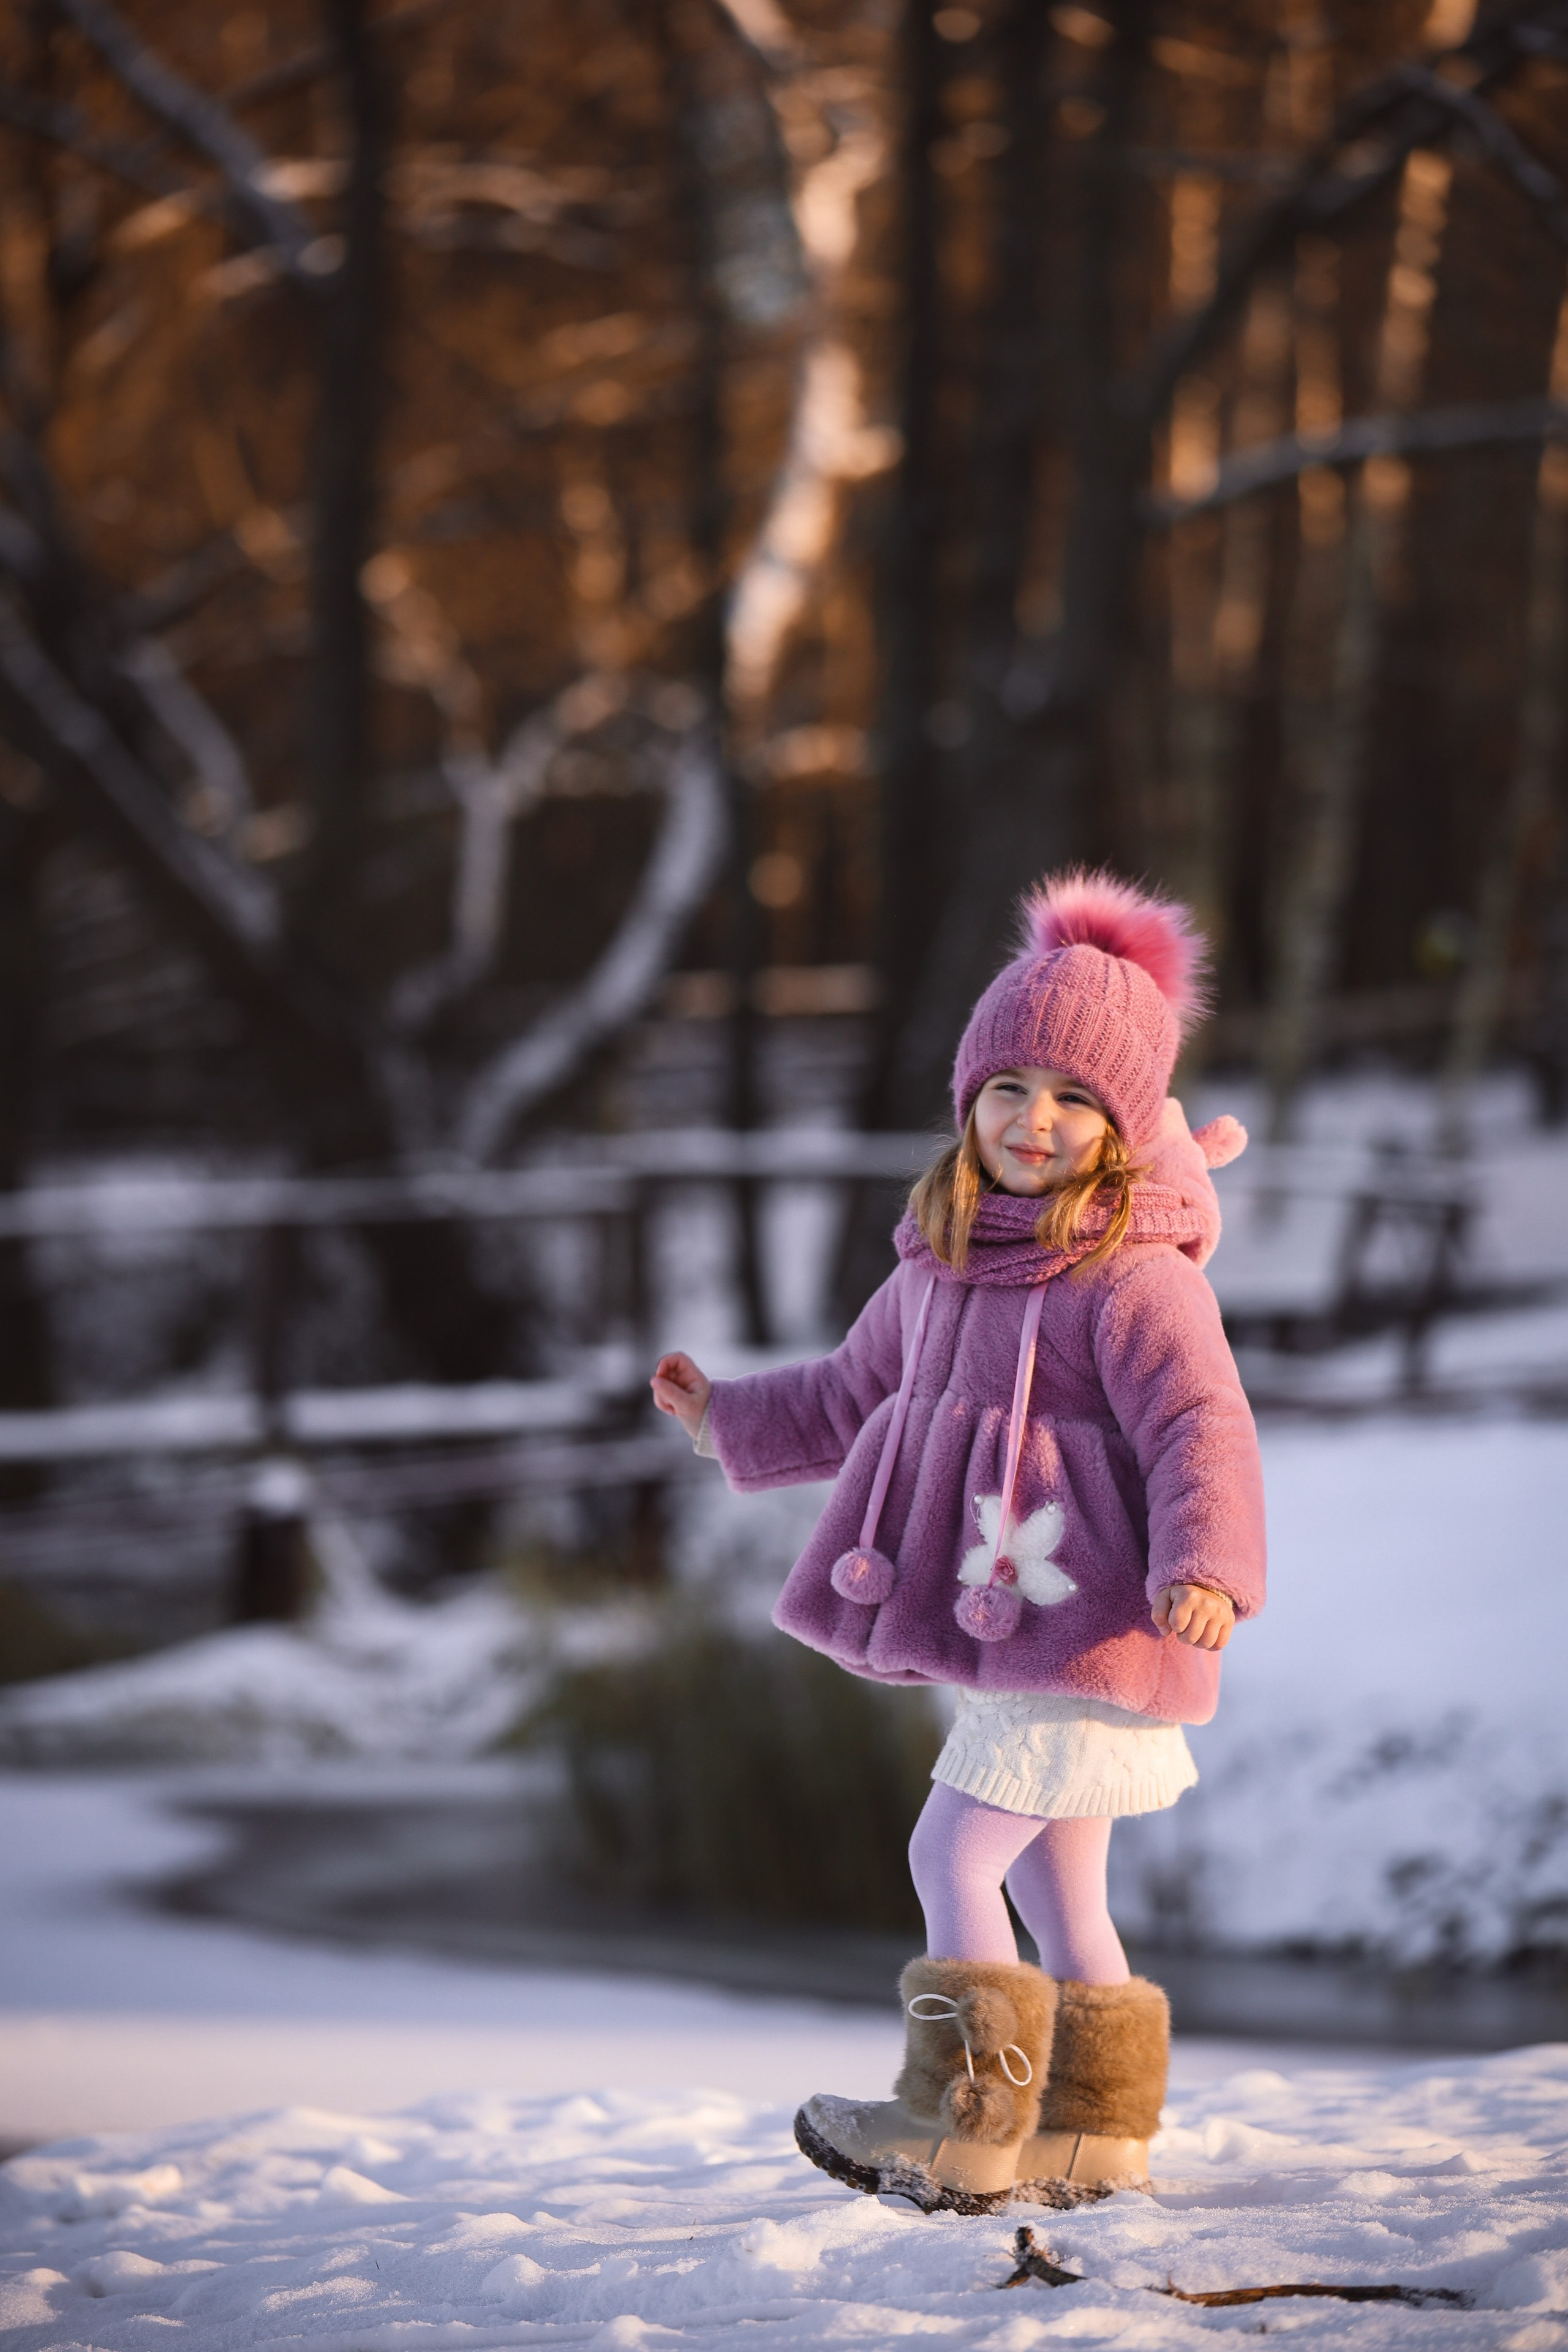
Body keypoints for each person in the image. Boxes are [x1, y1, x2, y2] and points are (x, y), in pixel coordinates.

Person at [651, 870, 1265, 2214]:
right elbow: (852, 1392)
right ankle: (1097, 2131)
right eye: (1006, 1089)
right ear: (966, 1100)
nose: (1031, 1120)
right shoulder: (938, 1255)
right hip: (1022, 1631)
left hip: (1092, 1621)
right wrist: (725, 1422)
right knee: (1058, 1889)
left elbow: (1198, 1427)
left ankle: (961, 2120)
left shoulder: (1133, 1274)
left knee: (951, 1855)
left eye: (1071, 1099)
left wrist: (1206, 1567)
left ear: (1118, 1128)